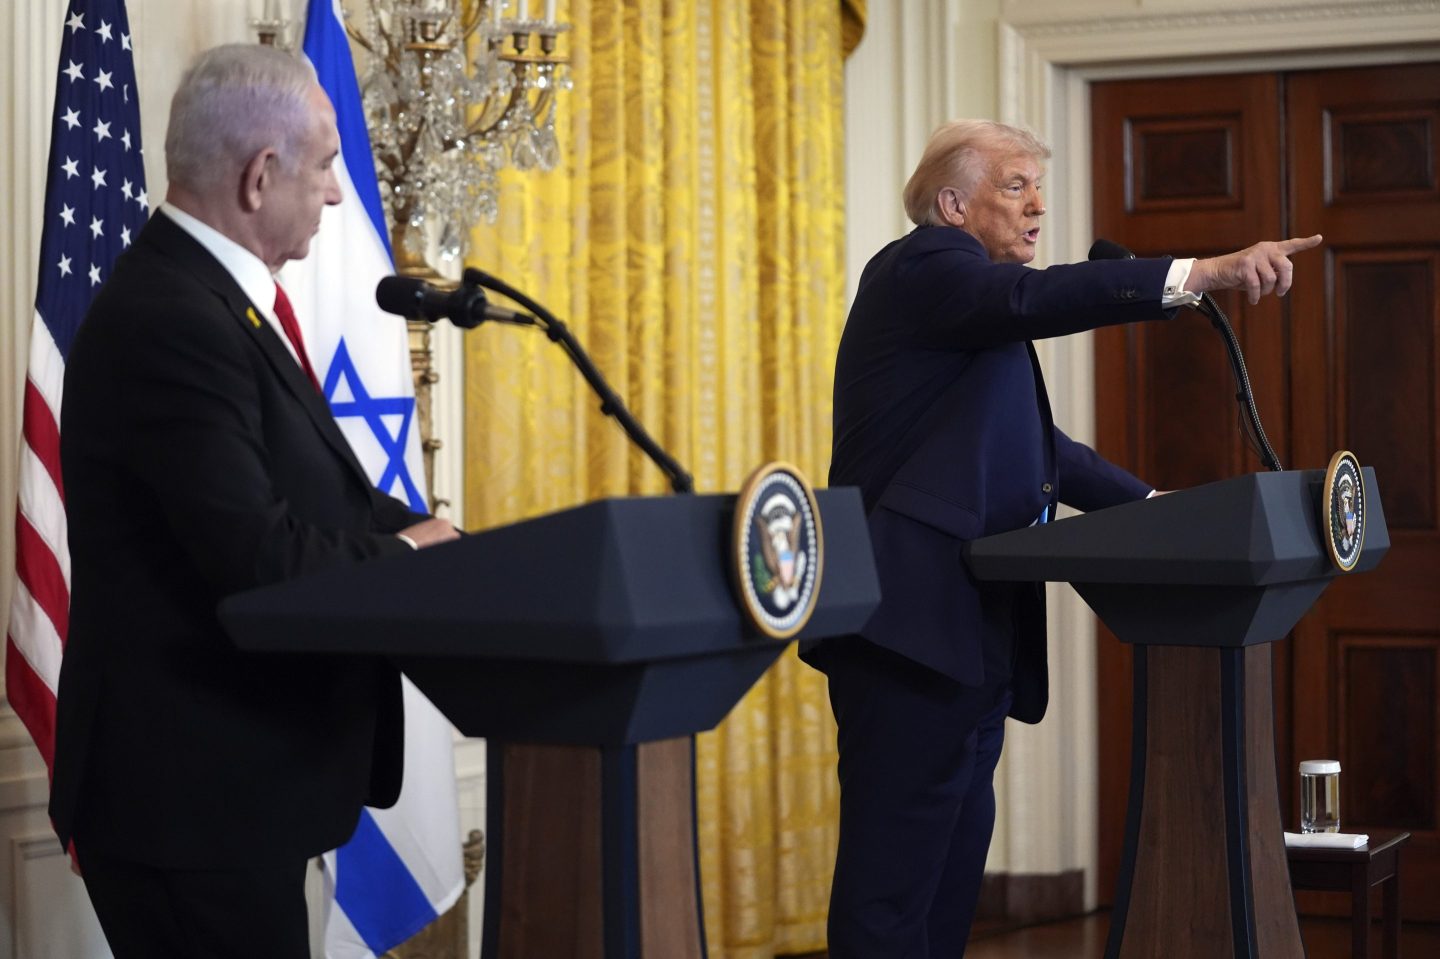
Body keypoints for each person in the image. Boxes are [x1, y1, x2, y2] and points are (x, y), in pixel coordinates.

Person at [801, 118, 1321, 958]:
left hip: (967, 635)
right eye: (1015, 186)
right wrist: (1206, 272)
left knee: (945, 887)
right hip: (907, 630)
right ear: (952, 204)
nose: (1038, 205)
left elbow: (1048, 452)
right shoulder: (927, 267)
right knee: (891, 890)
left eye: (1039, 186)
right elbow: (1034, 301)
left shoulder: (968, 312)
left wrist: (1156, 504)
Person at [50, 44, 459, 958]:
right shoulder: (173, 317)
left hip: (235, 800)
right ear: (259, 175)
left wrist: (449, 542)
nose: (338, 194)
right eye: (324, 167)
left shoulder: (216, 303)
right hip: (193, 812)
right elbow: (258, 555)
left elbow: (317, 495)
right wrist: (414, 560)